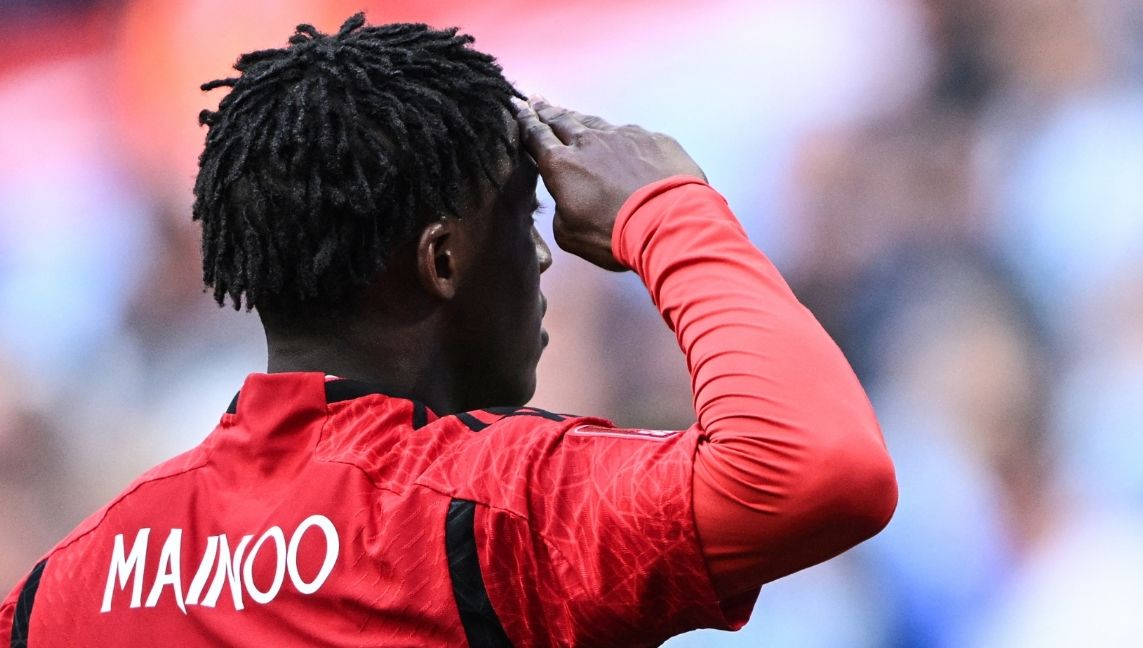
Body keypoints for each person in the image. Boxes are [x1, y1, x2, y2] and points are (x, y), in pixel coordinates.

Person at [1, 13, 897, 647]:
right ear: (442, 260)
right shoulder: (492, 516)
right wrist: (664, 208)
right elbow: (820, 468)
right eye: (525, 219)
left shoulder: (65, 586)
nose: (543, 256)